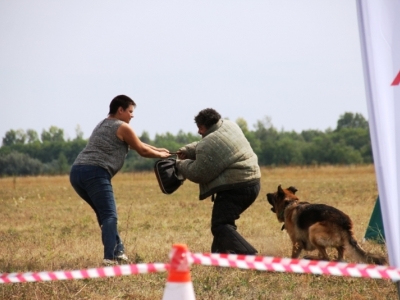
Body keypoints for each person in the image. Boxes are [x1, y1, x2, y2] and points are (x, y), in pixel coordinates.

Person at [69, 95, 171, 266]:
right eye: (130, 111)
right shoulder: (122, 127)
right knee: (109, 215)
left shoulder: (102, 124)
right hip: (95, 172)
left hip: (77, 173)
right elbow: (142, 151)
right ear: (120, 110)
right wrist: (161, 155)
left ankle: (118, 251)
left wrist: (159, 149)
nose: (132, 115)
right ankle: (110, 258)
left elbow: (136, 144)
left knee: (104, 214)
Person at [176, 108, 261, 255]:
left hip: (236, 188)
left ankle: (249, 254)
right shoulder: (228, 125)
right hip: (253, 183)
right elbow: (204, 145)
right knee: (223, 224)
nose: (198, 132)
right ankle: (219, 260)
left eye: (200, 128)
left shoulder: (209, 142)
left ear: (205, 126)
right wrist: (186, 150)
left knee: (220, 225)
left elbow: (198, 174)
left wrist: (179, 164)